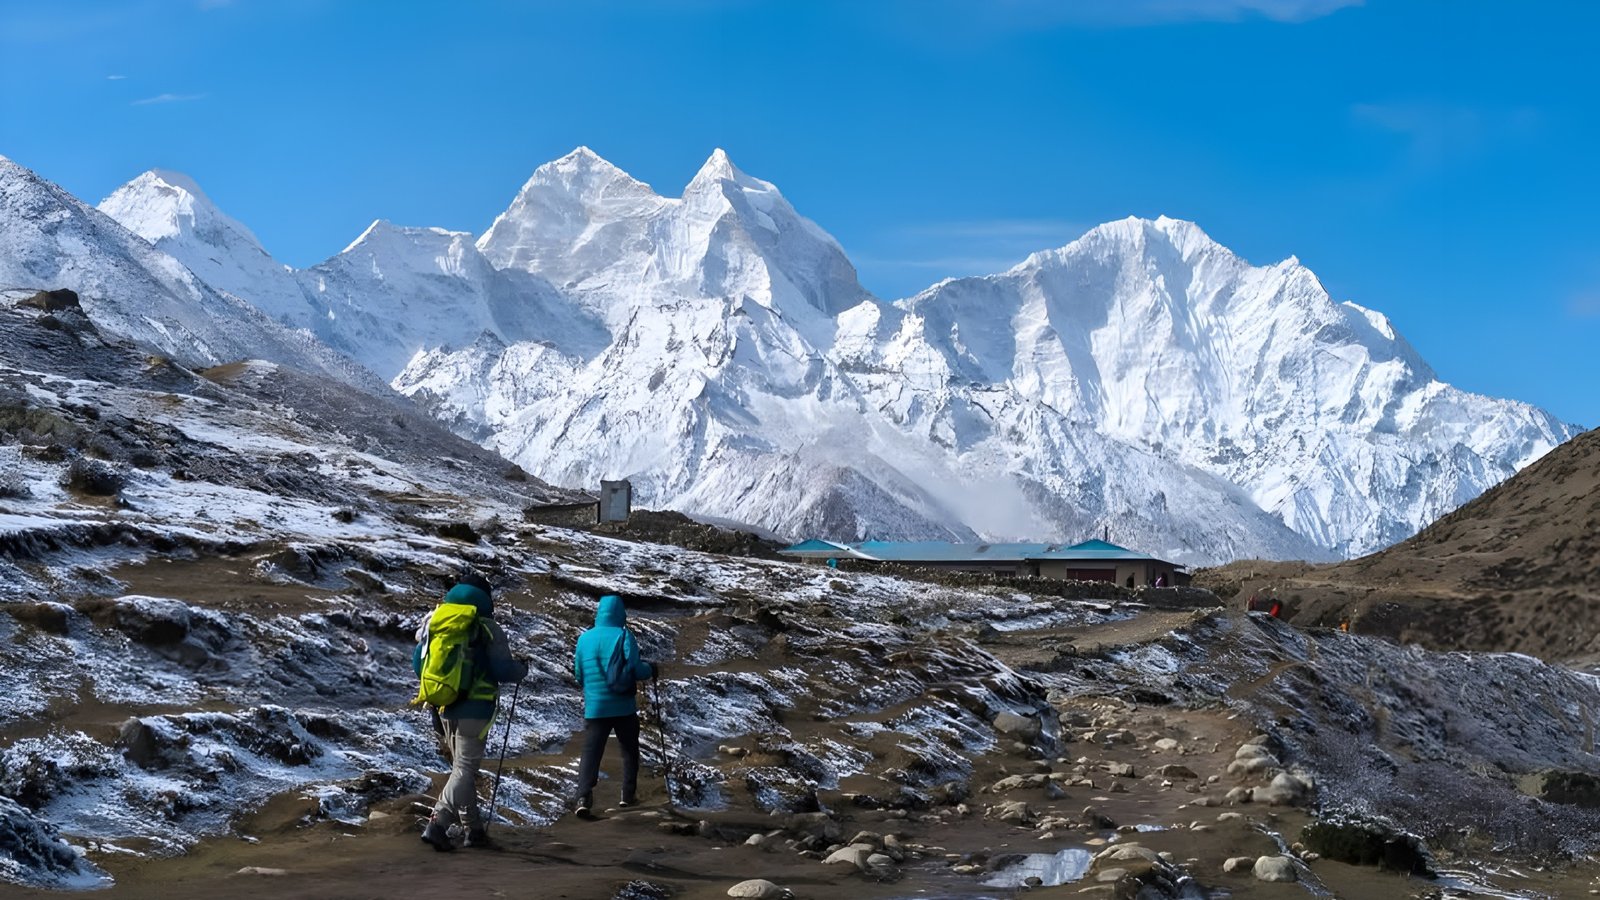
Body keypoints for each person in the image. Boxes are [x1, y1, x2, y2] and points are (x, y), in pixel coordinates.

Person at [415, 572, 528, 852]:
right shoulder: (486, 626)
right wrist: (522, 669)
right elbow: (502, 670)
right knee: (465, 770)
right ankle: (438, 824)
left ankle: (474, 831)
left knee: (460, 770)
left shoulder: (436, 621)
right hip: (475, 708)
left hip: (441, 706)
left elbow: (419, 665)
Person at [570, 593, 657, 817]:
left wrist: (592, 689)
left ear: (599, 613)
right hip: (623, 706)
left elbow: (579, 674)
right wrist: (651, 670)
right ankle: (627, 796)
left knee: (591, 752)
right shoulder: (624, 636)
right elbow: (636, 670)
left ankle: (583, 796)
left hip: (596, 707)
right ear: (621, 613)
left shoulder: (584, 639)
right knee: (629, 750)